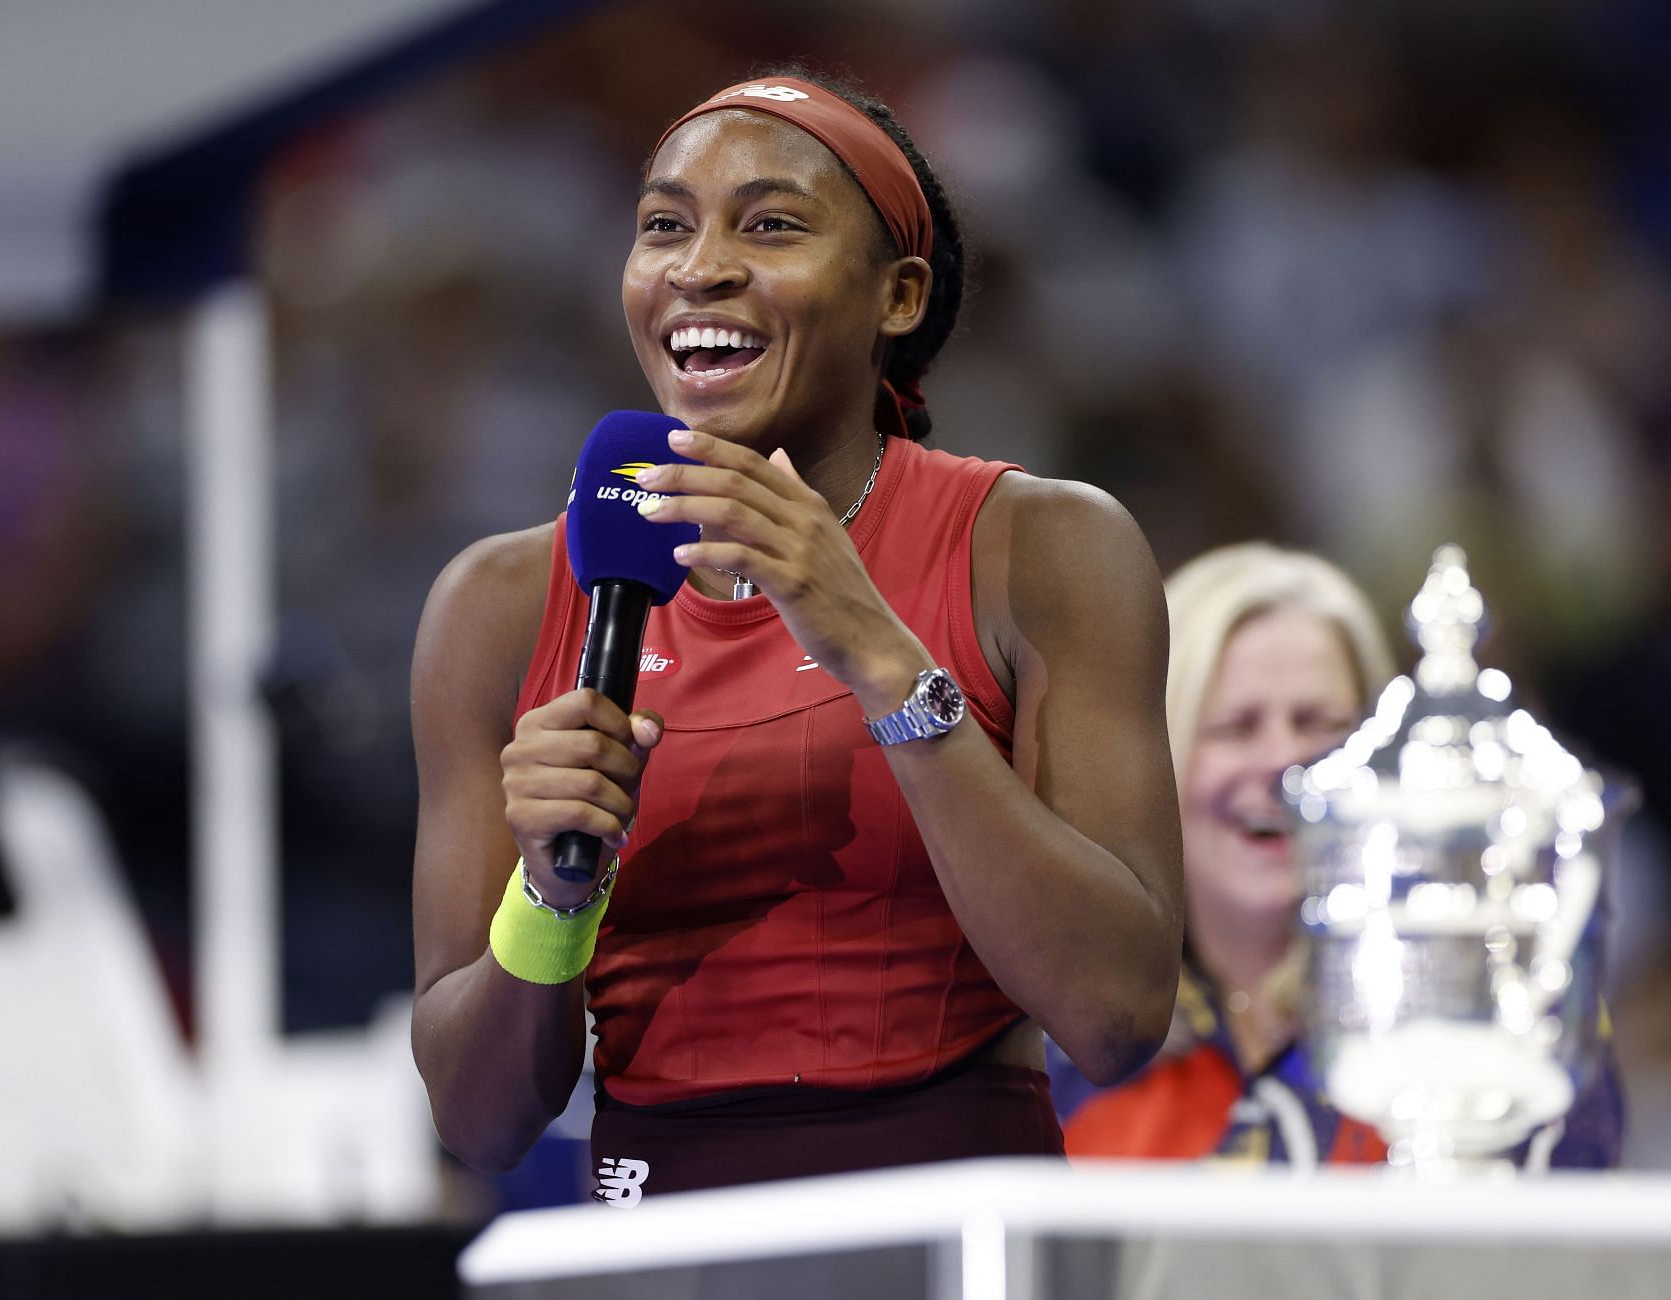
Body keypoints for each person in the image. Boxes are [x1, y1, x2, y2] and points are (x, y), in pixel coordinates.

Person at [408, 69, 1183, 1200]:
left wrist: (879, 655)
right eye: (663, 225)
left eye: (770, 225)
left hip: (956, 1229)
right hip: (657, 1237)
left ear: (899, 296)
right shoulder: (503, 603)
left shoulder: (1047, 548)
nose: (699, 266)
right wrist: (551, 897)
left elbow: (1115, 1015)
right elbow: (478, 1124)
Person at [1048, 542, 1622, 1168]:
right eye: (1237, 727)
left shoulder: (1502, 1003)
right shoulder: (1072, 1048)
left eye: (1319, 722)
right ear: (1155, 766)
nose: (1282, 764)